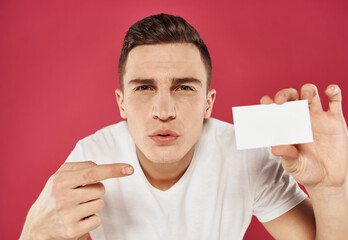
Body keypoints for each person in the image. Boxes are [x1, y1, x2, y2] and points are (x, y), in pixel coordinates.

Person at [20, 13, 348, 240]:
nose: (164, 112)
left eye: (184, 87)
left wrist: (332, 190)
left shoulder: (248, 157)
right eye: (144, 88)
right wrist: (35, 233)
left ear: (209, 102)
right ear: (121, 102)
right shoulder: (90, 158)